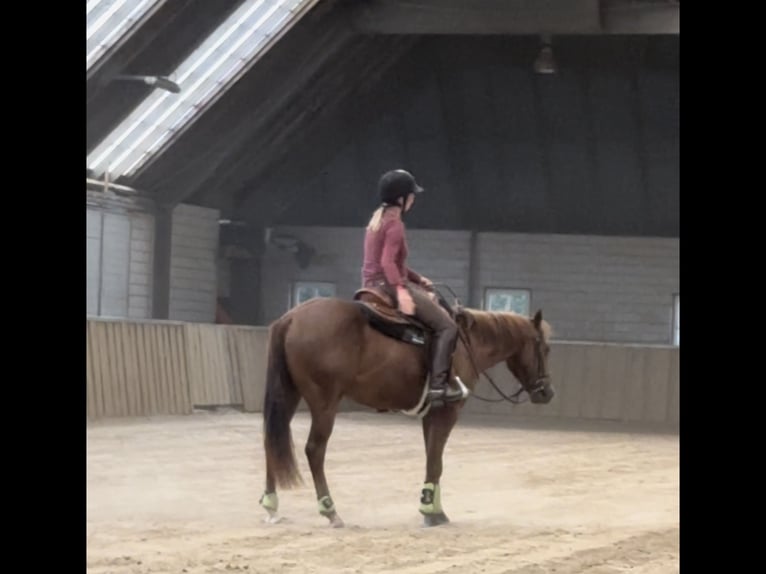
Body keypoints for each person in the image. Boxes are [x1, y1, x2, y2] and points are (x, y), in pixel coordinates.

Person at [361, 169, 465, 404]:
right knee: (447, 326)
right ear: (401, 198)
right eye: (411, 195)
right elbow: (387, 263)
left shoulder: (378, 219)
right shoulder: (395, 225)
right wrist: (400, 290)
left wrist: (418, 279)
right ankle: (438, 387)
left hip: (370, 284)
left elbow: (393, 263)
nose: (414, 199)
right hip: (387, 285)